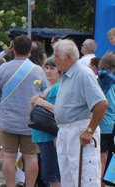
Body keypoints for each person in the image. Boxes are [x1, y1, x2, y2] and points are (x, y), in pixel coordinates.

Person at [0, 35, 47, 187]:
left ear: (13, 48)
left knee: (9, 157)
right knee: (30, 157)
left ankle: (10, 185)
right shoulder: (38, 70)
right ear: (30, 51)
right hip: (31, 122)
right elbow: (46, 92)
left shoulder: (3, 68)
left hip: (7, 120)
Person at [54, 39, 108, 187]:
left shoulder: (83, 74)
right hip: (68, 131)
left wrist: (89, 130)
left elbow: (102, 103)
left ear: (68, 57)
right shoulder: (67, 74)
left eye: (56, 56)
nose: (54, 60)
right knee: (69, 179)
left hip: (79, 131)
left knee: (85, 178)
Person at [29, 57, 62, 187]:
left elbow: (60, 112)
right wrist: (33, 101)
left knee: (54, 176)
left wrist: (42, 103)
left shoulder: (58, 87)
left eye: (52, 68)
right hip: (42, 137)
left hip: (50, 137)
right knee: (48, 175)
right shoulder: (47, 87)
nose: (48, 71)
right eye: (47, 68)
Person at [97, 52, 115, 183]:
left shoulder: (101, 82)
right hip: (113, 126)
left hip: (103, 125)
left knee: (101, 160)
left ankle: (100, 184)